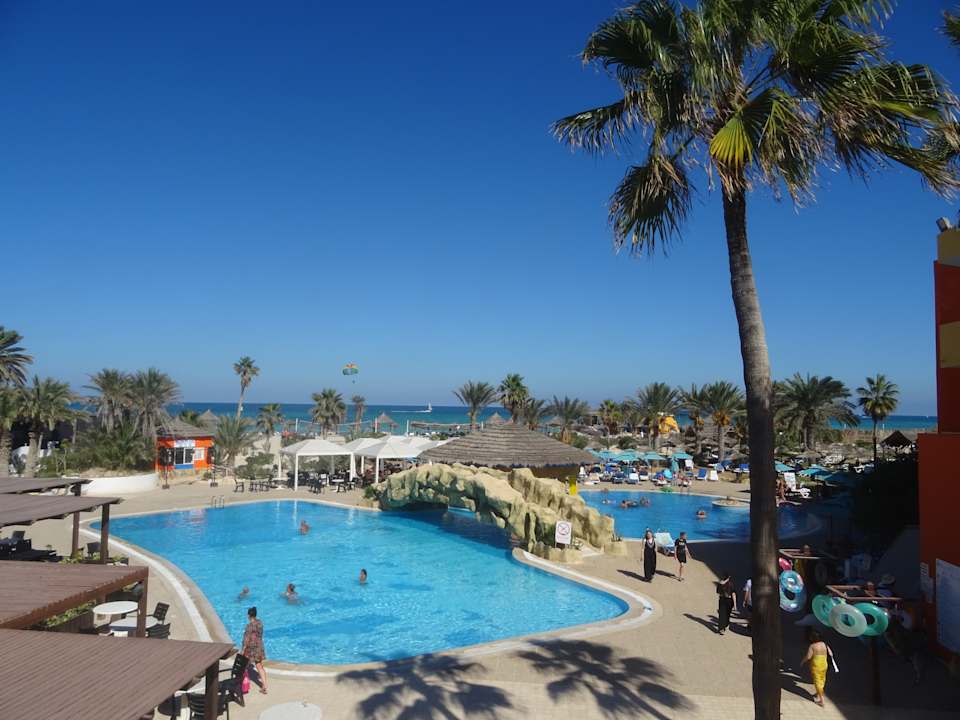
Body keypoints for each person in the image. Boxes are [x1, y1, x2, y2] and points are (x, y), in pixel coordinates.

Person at [800, 628, 834, 706]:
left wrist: (802, 662)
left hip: (816, 665)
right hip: (824, 664)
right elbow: (831, 654)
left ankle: (821, 700)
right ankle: (819, 692)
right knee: (822, 679)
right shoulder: (824, 644)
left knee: (817, 681)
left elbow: (808, 657)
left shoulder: (812, 646)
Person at [241, 607, 268, 694]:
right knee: (259, 665)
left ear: (249, 615)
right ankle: (264, 685)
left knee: (244, 665)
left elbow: (246, 640)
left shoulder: (249, 626)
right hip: (259, 646)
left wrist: (242, 651)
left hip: (251, 648)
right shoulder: (260, 623)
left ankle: (244, 684)